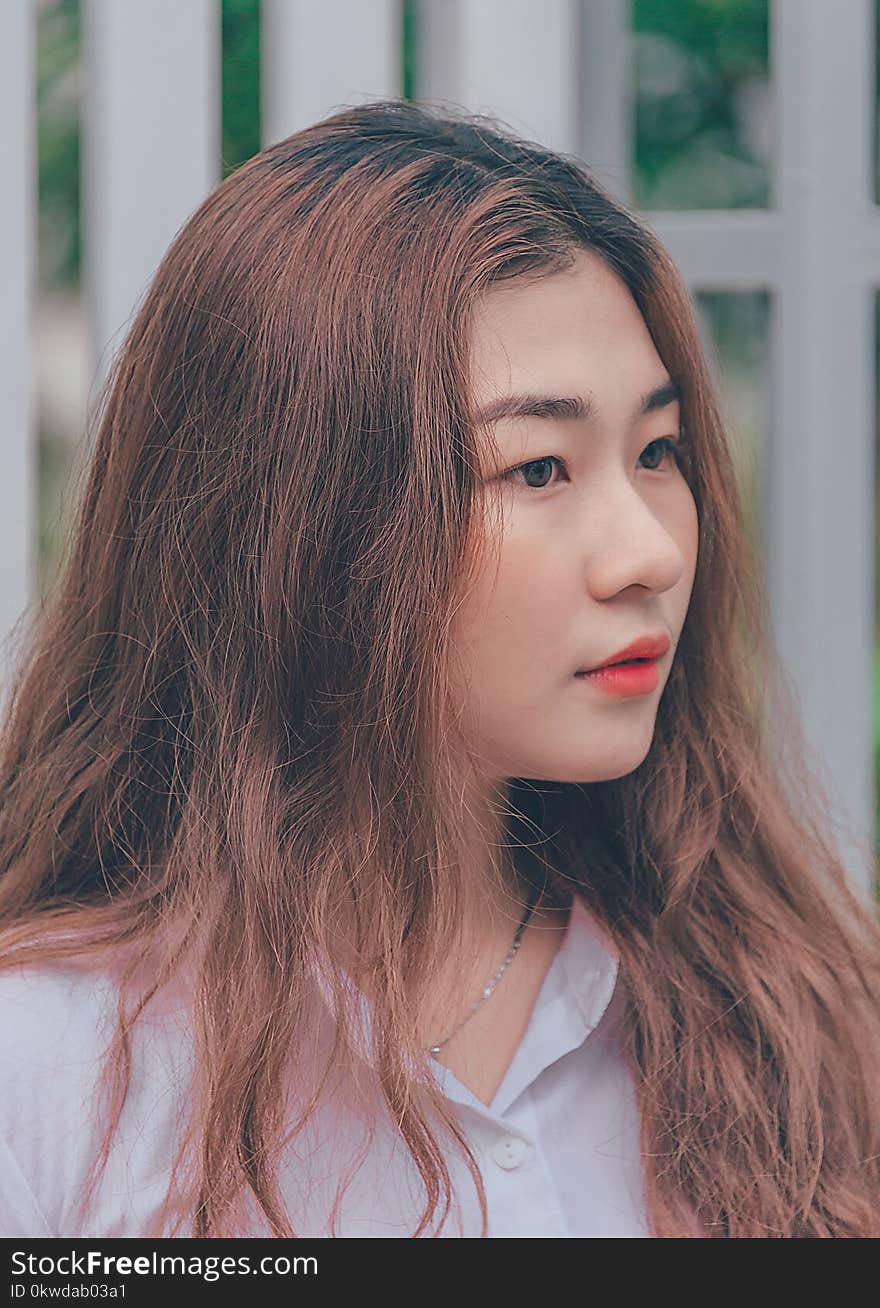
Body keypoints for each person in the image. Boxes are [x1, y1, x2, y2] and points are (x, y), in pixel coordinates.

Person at [0, 98, 878, 1240]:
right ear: (300, 527)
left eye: (657, 452)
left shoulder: (791, 1011)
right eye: (538, 470)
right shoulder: (52, 1067)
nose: (652, 552)